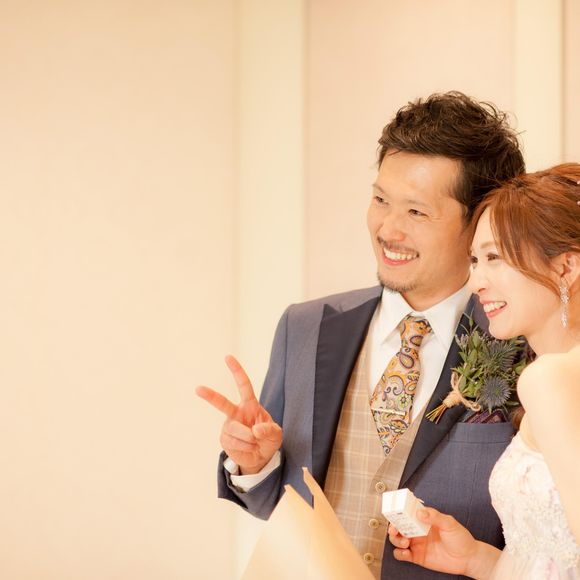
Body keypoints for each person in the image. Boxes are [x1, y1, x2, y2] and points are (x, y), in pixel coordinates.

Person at [196, 91, 526, 579]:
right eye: (380, 200)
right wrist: (256, 464)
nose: (388, 229)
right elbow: (277, 505)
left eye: (416, 212)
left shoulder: (523, 344)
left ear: (478, 221)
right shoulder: (305, 327)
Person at [388, 164, 580, 578]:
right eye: (475, 260)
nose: (476, 281)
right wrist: (476, 558)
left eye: (495, 257)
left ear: (566, 268)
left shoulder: (549, 379)